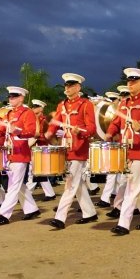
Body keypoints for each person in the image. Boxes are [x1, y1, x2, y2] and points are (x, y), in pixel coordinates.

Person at [109, 68, 140, 235]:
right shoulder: (124, 104)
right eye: (128, 81)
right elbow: (116, 122)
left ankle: (123, 223)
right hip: (125, 150)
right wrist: (109, 132)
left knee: (132, 187)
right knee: (136, 186)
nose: (130, 84)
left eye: (134, 81)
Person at [46, 73, 98, 230]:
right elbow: (55, 123)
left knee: (70, 183)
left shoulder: (85, 104)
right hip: (66, 148)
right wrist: (49, 132)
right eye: (66, 86)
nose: (67, 88)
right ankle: (89, 213)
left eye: (70, 86)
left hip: (79, 148)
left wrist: (80, 131)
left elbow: (92, 128)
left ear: (78, 87)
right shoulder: (61, 105)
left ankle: (60, 218)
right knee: (77, 183)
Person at [0, 86, 40, 225]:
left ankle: (4, 215)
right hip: (10, 153)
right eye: (10, 97)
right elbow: (2, 127)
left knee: (13, 185)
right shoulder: (9, 113)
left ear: (21, 98)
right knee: (18, 184)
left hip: (20, 152)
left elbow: (31, 131)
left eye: (14, 97)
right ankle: (31, 209)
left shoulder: (27, 113)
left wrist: (18, 131)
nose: (11, 99)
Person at [26, 99, 57, 202]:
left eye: (35, 107)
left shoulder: (45, 120)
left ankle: (28, 193)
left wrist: (38, 137)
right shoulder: (32, 119)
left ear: (41, 108)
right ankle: (50, 193)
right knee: (38, 171)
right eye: (33, 107)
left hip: (42, 147)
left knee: (35, 171)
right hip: (33, 147)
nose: (33, 108)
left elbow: (49, 135)